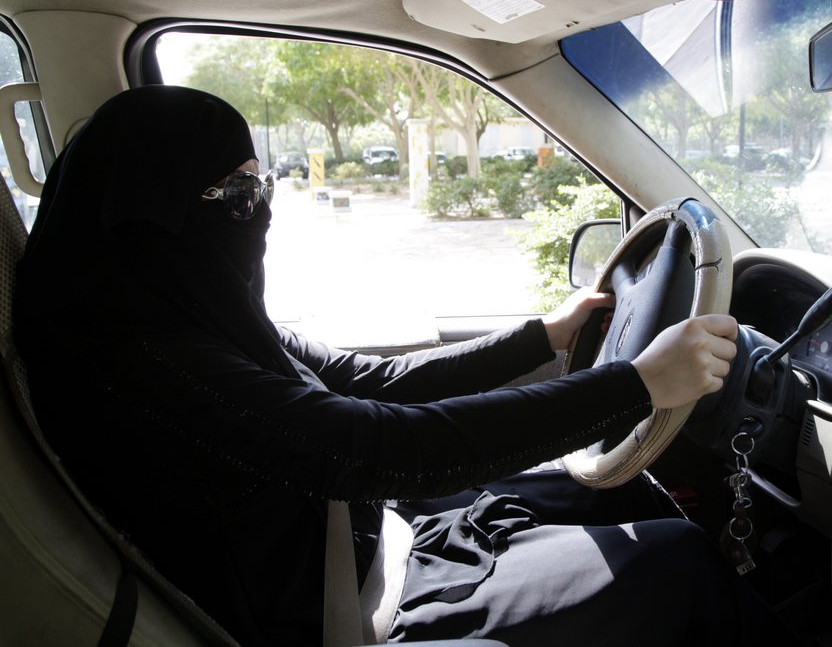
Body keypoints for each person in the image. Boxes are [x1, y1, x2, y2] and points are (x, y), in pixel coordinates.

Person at [14, 86, 772, 646]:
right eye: (240, 193)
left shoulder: (190, 318)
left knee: (616, 495)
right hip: (349, 613)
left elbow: (367, 382)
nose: (262, 209)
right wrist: (637, 384)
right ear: (153, 214)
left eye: (263, 182)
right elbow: (377, 449)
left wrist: (544, 335)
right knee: (681, 562)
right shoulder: (147, 368)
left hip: (355, 544)